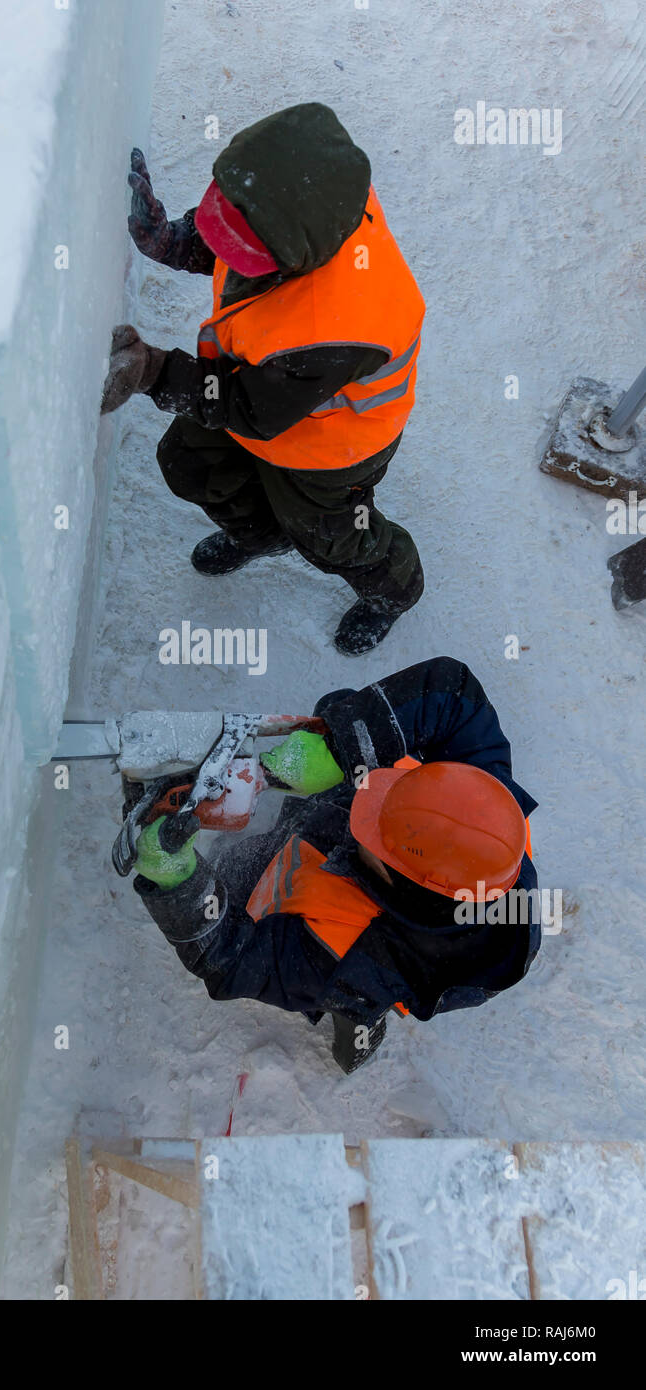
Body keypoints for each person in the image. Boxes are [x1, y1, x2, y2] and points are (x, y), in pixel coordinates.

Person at [101, 102, 426, 655]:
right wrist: (174, 242)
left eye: (238, 239)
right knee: (190, 464)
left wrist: (153, 372)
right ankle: (265, 536)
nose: (225, 240)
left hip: (332, 448)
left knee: (331, 540)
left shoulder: (335, 326)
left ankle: (393, 591)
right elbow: (244, 240)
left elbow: (251, 408)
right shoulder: (314, 204)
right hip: (263, 391)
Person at [128, 657, 540, 1073]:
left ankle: (359, 1024)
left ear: (401, 883)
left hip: (378, 970)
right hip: (413, 890)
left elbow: (231, 963)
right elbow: (453, 690)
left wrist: (177, 880)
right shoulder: (486, 807)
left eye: (373, 829)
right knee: (342, 710)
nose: (366, 802)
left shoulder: (348, 952)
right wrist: (338, 751)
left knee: (343, 987)